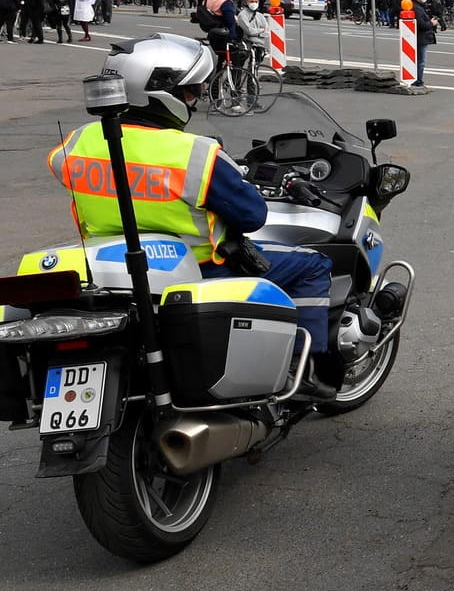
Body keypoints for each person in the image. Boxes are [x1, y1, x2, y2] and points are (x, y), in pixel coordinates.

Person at [48, 34, 338, 399]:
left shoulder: (77, 142)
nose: (194, 98)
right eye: (190, 91)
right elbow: (252, 216)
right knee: (312, 265)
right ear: (161, 93)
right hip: (200, 270)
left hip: (112, 269)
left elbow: (68, 170)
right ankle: (302, 368)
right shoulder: (195, 154)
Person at [410, 0, 438, 85]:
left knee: (419, 60)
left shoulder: (418, 6)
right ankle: (418, 81)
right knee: (420, 61)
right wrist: (431, 23)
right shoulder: (416, 8)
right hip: (420, 38)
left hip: (421, 37)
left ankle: (417, 80)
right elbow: (421, 25)